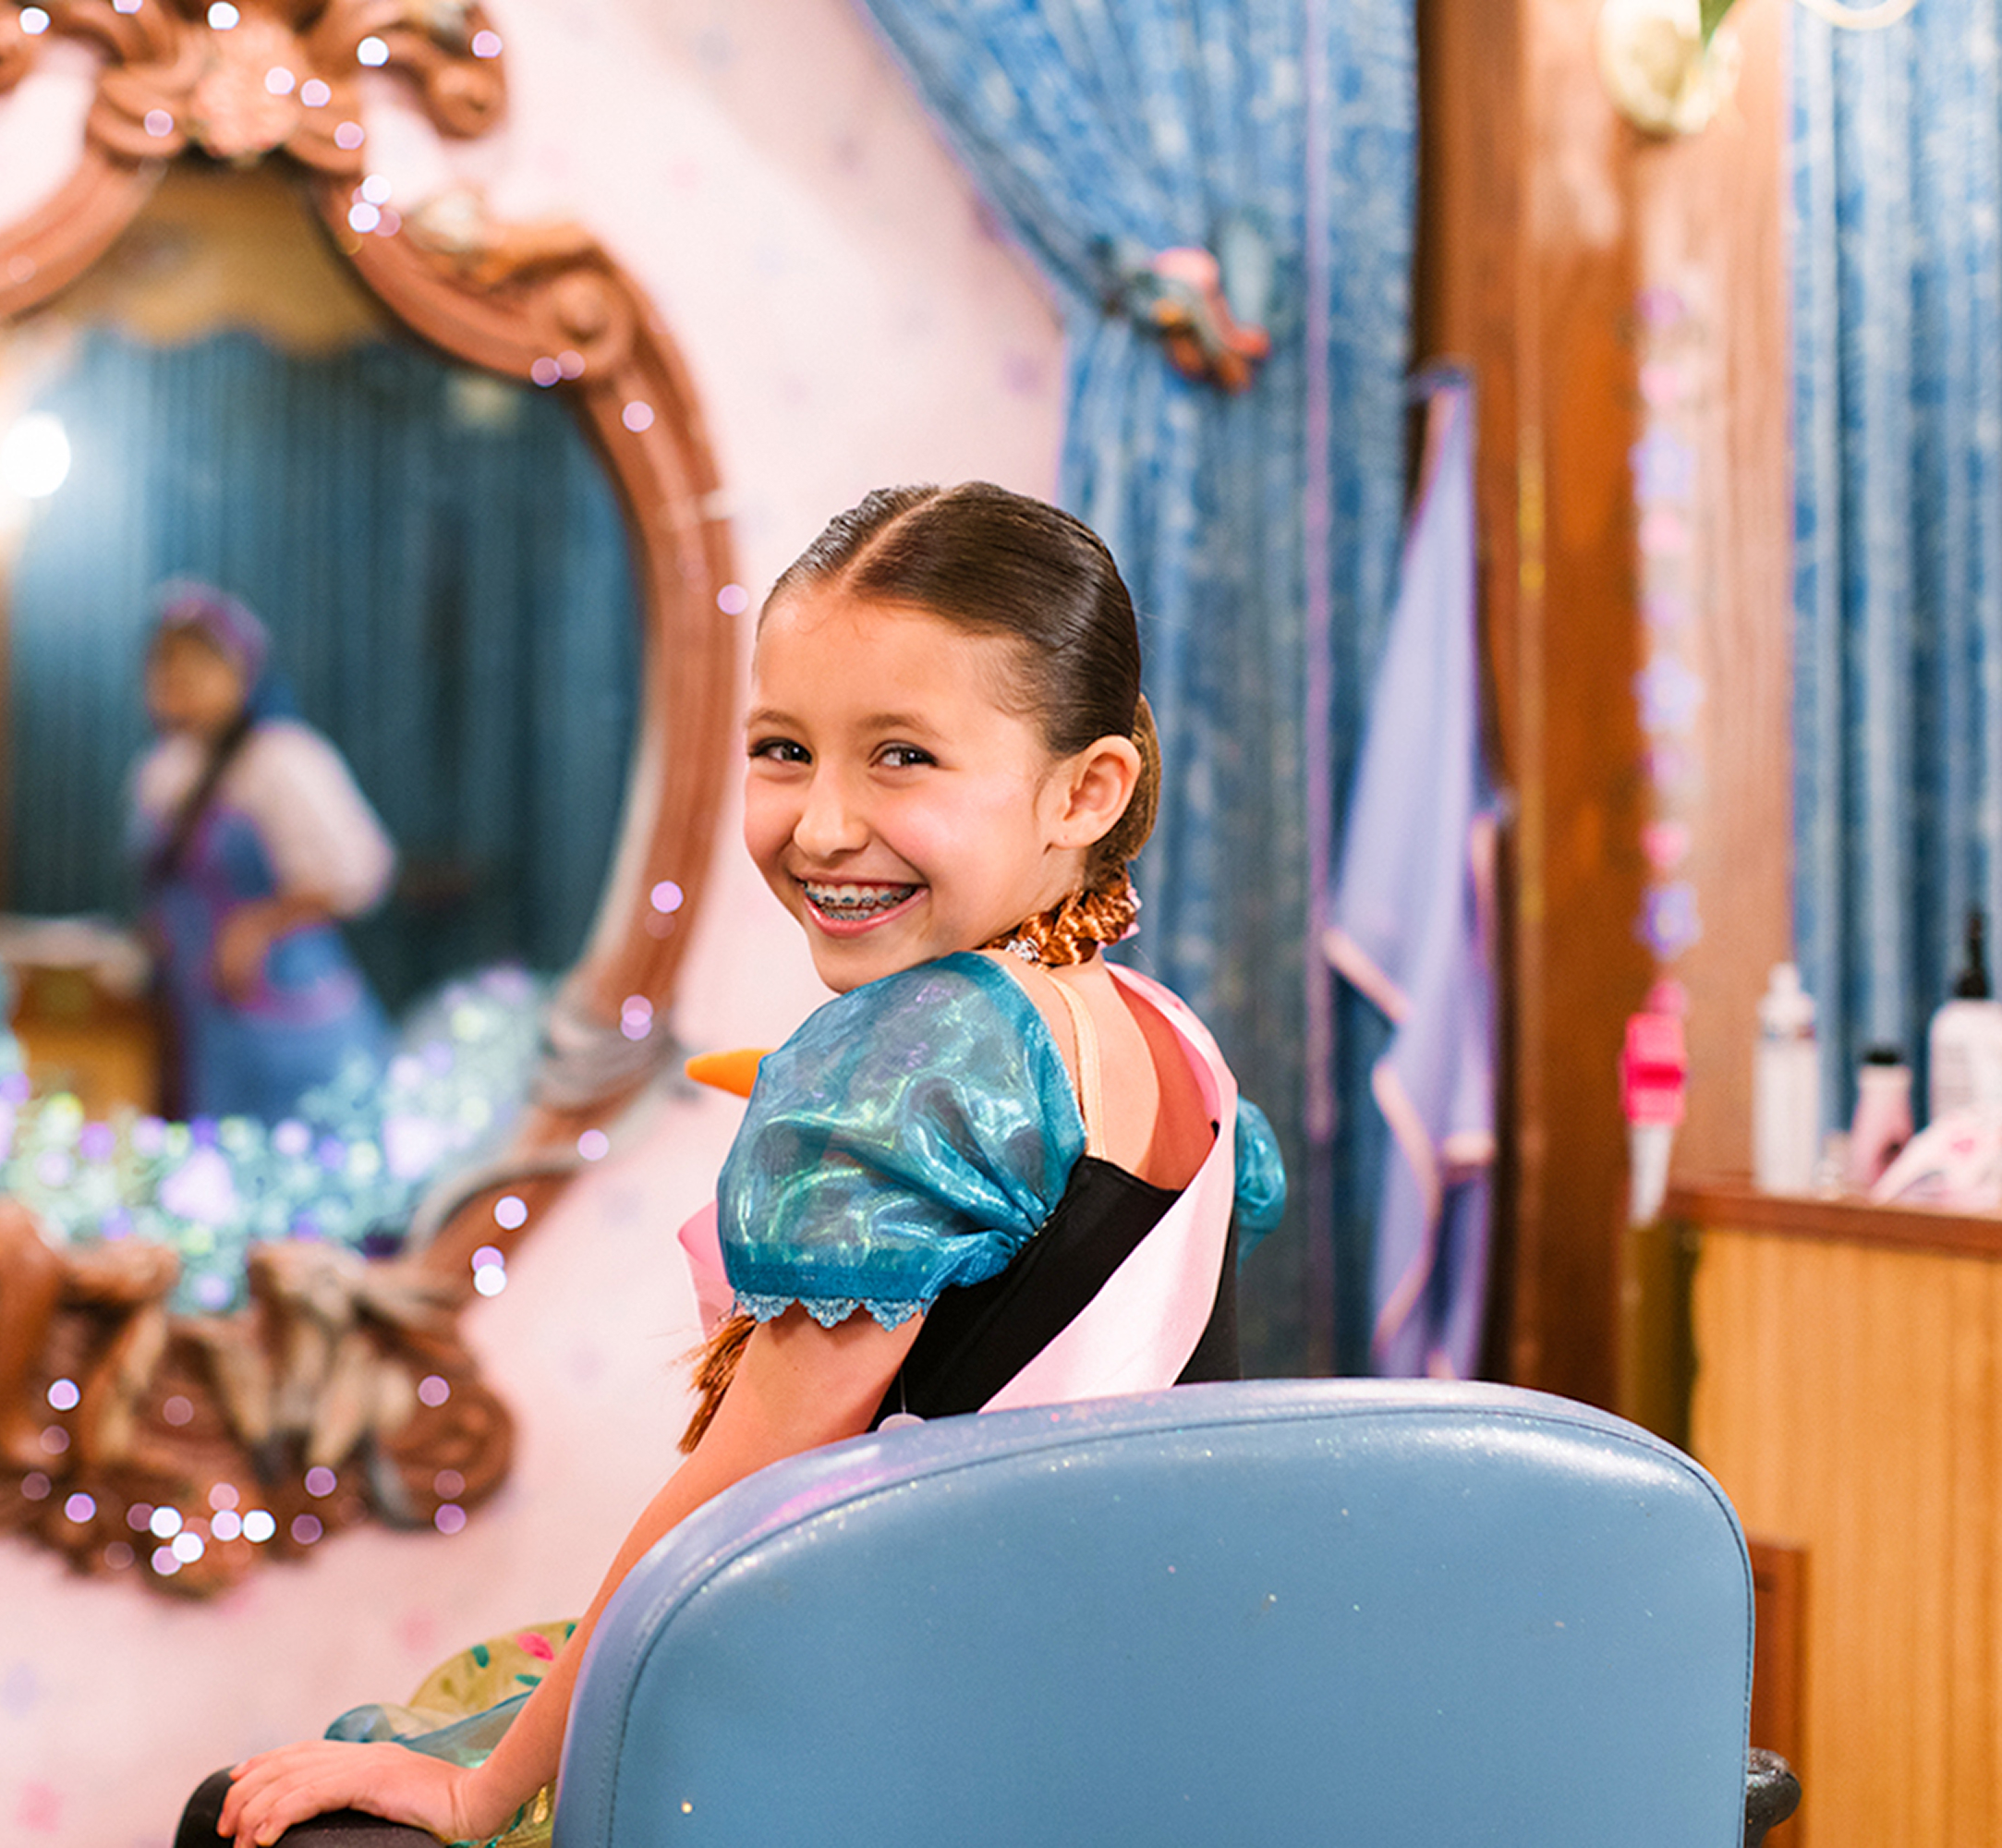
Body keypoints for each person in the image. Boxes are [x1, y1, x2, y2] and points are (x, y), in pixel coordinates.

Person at [188, 484, 1282, 1848]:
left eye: (902, 758)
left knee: (255, 1814)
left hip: (932, 1753)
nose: (822, 825)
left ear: (1087, 789)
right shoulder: (1162, 1033)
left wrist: (482, 1787)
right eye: (782, 749)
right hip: (1138, 1729)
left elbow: (733, 1500)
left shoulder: (920, 1054)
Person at [133, 581, 400, 1125]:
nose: (177, 678)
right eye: (165, 664)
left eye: (198, 664)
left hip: (287, 1015)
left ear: (242, 672)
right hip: (202, 1017)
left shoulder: (280, 759)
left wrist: (262, 924)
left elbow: (363, 872)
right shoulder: (162, 771)